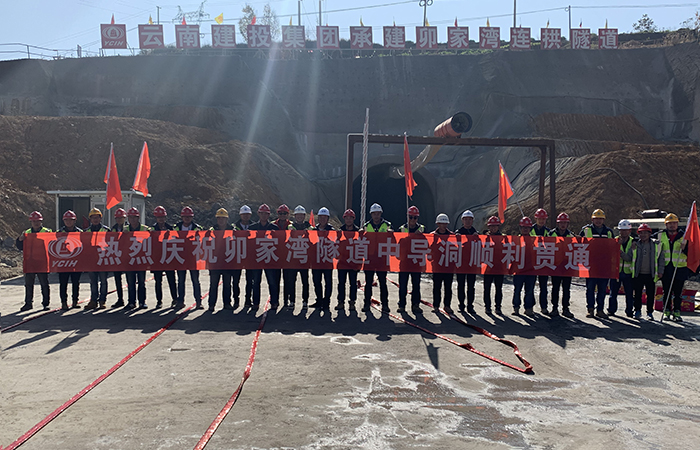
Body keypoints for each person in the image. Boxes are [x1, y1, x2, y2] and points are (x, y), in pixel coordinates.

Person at [580, 209, 615, 318]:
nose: (598, 221)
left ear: (603, 220)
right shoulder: (586, 230)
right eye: (596, 219)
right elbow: (579, 245)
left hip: (604, 266)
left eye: (600, 219)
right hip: (591, 265)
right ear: (592, 219)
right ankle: (590, 309)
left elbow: (613, 247)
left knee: (602, 289)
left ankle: (600, 310)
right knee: (590, 289)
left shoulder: (609, 232)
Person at [655, 213, 689, 322]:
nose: (672, 225)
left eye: (674, 223)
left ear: (677, 224)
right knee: (667, 291)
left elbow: (692, 253)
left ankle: (677, 312)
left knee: (678, 293)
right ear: (666, 225)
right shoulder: (661, 235)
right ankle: (667, 311)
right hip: (666, 268)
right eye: (670, 223)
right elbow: (647, 240)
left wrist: (685, 248)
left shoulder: (684, 236)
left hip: (680, 268)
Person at [16, 211, 53, 311]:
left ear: (41, 221)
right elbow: (20, 247)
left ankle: (46, 303)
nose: (36, 223)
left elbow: (53, 245)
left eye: (38, 221)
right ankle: (28, 303)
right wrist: (20, 240)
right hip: (30, 262)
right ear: (31, 222)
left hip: (42, 262)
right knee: (28, 284)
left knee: (44, 284)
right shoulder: (26, 233)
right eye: (34, 221)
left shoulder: (47, 232)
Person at [362, 203, 392, 313]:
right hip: (369, 257)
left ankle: (385, 305)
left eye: (378, 213)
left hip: (382, 258)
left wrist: (391, 234)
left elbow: (393, 240)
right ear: (371, 214)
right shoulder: (366, 226)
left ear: (381, 213)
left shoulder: (387, 225)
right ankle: (366, 304)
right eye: (374, 214)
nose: (376, 216)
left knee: (383, 283)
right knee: (368, 283)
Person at [250, 204, 281, 309]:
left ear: (269, 215)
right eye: (262, 213)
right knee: (256, 282)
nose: (264, 215)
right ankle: (256, 303)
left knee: (272, 282)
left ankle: (274, 302)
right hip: (256, 259)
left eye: (266, 214)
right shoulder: (252, 228)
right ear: (258, 214)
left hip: (269, 258)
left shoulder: (274, 228)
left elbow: (279, 244)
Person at [632, 224, 664, 320]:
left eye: (645, 233)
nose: (643, 235)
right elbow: (630, 257)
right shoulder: (635, 244)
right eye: (641, 233)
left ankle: (649, 312)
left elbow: (661, 259)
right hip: (638, 274)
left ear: (650, 234)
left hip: (651, 274)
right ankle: (637, 311)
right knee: (637, 294)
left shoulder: (656, 245)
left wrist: (660, 271)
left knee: (650, 295)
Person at [174, 207, 203, 309]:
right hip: (180, 257)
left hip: (193, 258)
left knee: (195, 281)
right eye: (185, 216)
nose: (187, 218)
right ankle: (180, 301)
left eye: (189, 217)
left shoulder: (197, 228)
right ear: (182, 217)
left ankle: (198, 302)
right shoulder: (176, 227)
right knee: (181, 281)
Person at [55, 210, 84, 311]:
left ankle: (75, 301)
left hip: (76, 262)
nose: (68, 222)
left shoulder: (80, 233)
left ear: (74, 221)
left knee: (76, 283)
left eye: (70, 220)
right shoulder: (59, 233)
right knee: (63, 283)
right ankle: (64, 302)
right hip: (63, 263)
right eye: (66, 220)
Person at [397, 206, 424, 314]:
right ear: (407, 217)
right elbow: (396, 243)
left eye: (415, 217)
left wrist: (421, 236)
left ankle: (415, 305)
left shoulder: (422, 229)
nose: (413, 220)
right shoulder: (402, 229)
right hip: (404, 261)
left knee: (416, 284)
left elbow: (428, 242)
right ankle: (402, 305)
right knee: (403, 285)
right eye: (411, 217)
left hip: (416, 261)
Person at [151, 206, 178, 309]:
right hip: (157, 258)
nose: (161, 219)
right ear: (156, 218)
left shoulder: (170, 228)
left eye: (162, 217)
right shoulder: (152, 229)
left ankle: (175, 299)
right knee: (158, 281)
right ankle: (159, 301)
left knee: (171, 280)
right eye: (159, 217)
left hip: (169, 257)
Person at [548, 213, 575, 318]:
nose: (563, 225)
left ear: (567, 224)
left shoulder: (571, 235)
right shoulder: (551, 234)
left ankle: (565, 308)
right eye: (561, 223)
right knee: (555, 288)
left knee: (566, 289)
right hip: (555, 266)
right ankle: (554, 308)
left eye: (565, 223)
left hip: (567, 266)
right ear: (558, 223)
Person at [83, 208, 110, 310]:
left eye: (97, 217)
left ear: (100, 218)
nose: (95, 219)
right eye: (93, 218)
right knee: (93, 282)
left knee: (103, 281)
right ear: (90, 219)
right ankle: (93, 301)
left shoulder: (107, 230)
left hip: (103, 259)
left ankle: (102, 301)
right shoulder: (86, 232)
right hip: (92, 261)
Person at [125, 207, 152, 309]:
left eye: (134, 217)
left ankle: (142, 302)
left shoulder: (145, 228)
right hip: (130, 260)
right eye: (130, 217)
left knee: (141, 282)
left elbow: (152, 236)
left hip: (141, 259)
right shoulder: (125, 229)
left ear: (138, 218)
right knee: (130, 283)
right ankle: (131, 302)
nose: (132, 219)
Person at [209, 208, 235, 311]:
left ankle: (227, 303)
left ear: (227, 219)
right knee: (213, 284)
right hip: (215, 262)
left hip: (227, 261)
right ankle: (211, 304)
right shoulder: (212, 230)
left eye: (223, 218)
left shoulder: (232, 230)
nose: (221, 220)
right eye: (219, 218)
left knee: (227, 284)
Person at [609, 219, 635, 317]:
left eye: (626, 230)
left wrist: (619, 252)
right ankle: (611, 310)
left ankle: (629, 311)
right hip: (616, 271)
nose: (624, 232)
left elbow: (630, 258)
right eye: (622, 230)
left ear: (629, 231)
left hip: (628, 272)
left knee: (629, 293)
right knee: (613, 293)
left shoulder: (633, 242)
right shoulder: (614, 241)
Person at [288, 205, 312, 309]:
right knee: (291, 281)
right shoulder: (290, 227)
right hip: (293, 258)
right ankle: (292, 301)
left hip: (304, 258)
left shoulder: (310, 227)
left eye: (301, 215)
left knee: (305, 281)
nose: (299, 217)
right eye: (297, 215)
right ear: (295, 216)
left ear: (304, 216)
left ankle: (305, 300)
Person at [311, 207, 334, 311]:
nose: (322, 219)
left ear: (327, 219)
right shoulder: (314, 231)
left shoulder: (332, 231)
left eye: (325, 217)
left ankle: (326, 302)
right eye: (321, 217)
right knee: (316, 281)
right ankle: (319, 300)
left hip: (327, 260)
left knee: (328, 282)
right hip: (316, 260)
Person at [512, 217, 536, 317]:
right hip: (519, 270)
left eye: (527, 227)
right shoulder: (515, 240)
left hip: (531, 270)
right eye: (523, 227)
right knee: (517, 290)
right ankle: (516, 307)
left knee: (529, 290)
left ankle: (528, 308)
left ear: (530, 229)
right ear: (520, 228)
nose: (525, 229)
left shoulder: (535, 240)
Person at [455, 210, 479, 313]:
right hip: (461, 263)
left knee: (471, 286)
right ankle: (461, 304)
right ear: (462, 220)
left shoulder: (476, 233)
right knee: (461, 285)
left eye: (469, 219)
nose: (467, 221)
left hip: (472, 263)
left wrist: (478, 238)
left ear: (472, 221)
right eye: (466, 219)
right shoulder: (458, 233)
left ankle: (470, 305)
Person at [432, 213, 454, 313]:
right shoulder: (432, 236)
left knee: (448, 287)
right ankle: (436, 305)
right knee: (437, 287)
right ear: (438, 224)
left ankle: (447, 305)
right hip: (437, 265)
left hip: (448, 265)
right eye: (441, 223)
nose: (443, 226)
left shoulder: (452, 236)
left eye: (445, 224)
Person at [337, 209, 359, 311]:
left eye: (350, 218)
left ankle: (352, 302)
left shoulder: (358, 231)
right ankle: (340, 302)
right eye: (347, 218)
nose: (349, 220)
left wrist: (359, 263)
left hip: (353, 261)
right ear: (344, 219)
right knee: (341, 283)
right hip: (342, 261)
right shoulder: (340, 231)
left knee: (353, 284)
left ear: (353, 219)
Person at [530, 208, 551, 314]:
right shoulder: (530, 230)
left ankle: (544, 306)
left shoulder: (548, 232)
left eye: (543, 219)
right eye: (540, 219)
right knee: (530, 285)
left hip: (544, 261)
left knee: (543, 286)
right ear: (536, 219)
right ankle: (530, 306)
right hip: (532, 261)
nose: (541, 221)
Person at [483, 216, 504, 315]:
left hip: (499, 267)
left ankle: (498, 307)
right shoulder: (484, 238)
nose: (493, 228)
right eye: (491, 226)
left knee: (498, 288)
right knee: (487, 288)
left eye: (495, 226)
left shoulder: (503, 238)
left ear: (498, 227)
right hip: (488, 267)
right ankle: (487, 307)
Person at [235, 205, 254, 309]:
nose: (245, 216)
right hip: (237, 256)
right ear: (240, 215)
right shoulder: (234, 227)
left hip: (250, 257)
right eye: (243, 214)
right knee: (236, 280)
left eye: (247, 214)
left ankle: (248, 300)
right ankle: (236, 300)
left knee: (250, 280)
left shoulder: (254, 226)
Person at [273, 204, 293, 308]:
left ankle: (286, 300)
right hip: (275, 255)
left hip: (287, 256)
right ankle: (275, 300)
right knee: (275, 280)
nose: (282, 215)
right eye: (280, 213)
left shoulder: (291, 226)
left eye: (284, 213)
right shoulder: (273, 225)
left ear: (287, 214)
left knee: (287, 280)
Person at [110, 208, 128, 308]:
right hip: (117, 256)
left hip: (128, 257)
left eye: (121, 218)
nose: (119, 220)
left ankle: (132, 300)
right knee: (117, 279)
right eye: (117, 218)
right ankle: (120, 299)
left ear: (125, 218)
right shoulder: (113, 229)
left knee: (130, 280)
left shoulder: (129, 228)